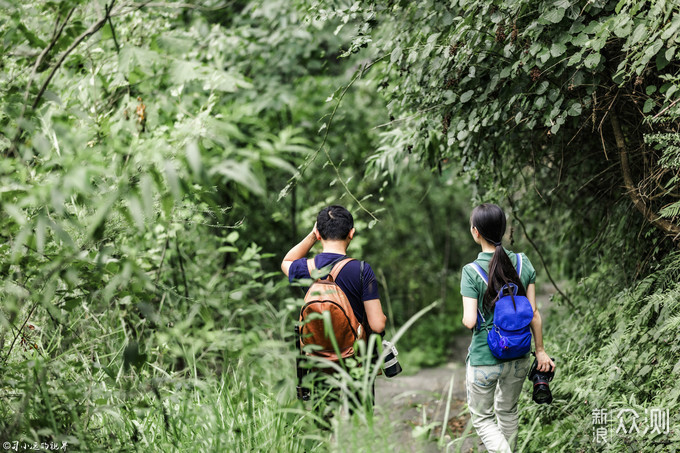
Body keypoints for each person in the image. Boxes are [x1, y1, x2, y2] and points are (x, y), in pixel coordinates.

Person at [460, 203, 555, 453]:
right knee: (507, 412)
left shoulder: (471, 272)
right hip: (520, 355)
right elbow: (533, 314)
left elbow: (469, 321)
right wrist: (541, 350)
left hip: (484, 358)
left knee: (482, 419)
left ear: (475, 232)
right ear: (503, 230)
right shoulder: (523, 263)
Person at [281, 205, 387, 405]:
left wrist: (312, 236)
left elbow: (287, 261)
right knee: (359, 420)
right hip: (355, 359)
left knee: (323, 421)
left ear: (319, 234)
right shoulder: (362, 270)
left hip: (318, 359)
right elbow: (378, 325)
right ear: (351, 233)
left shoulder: (306, 268)